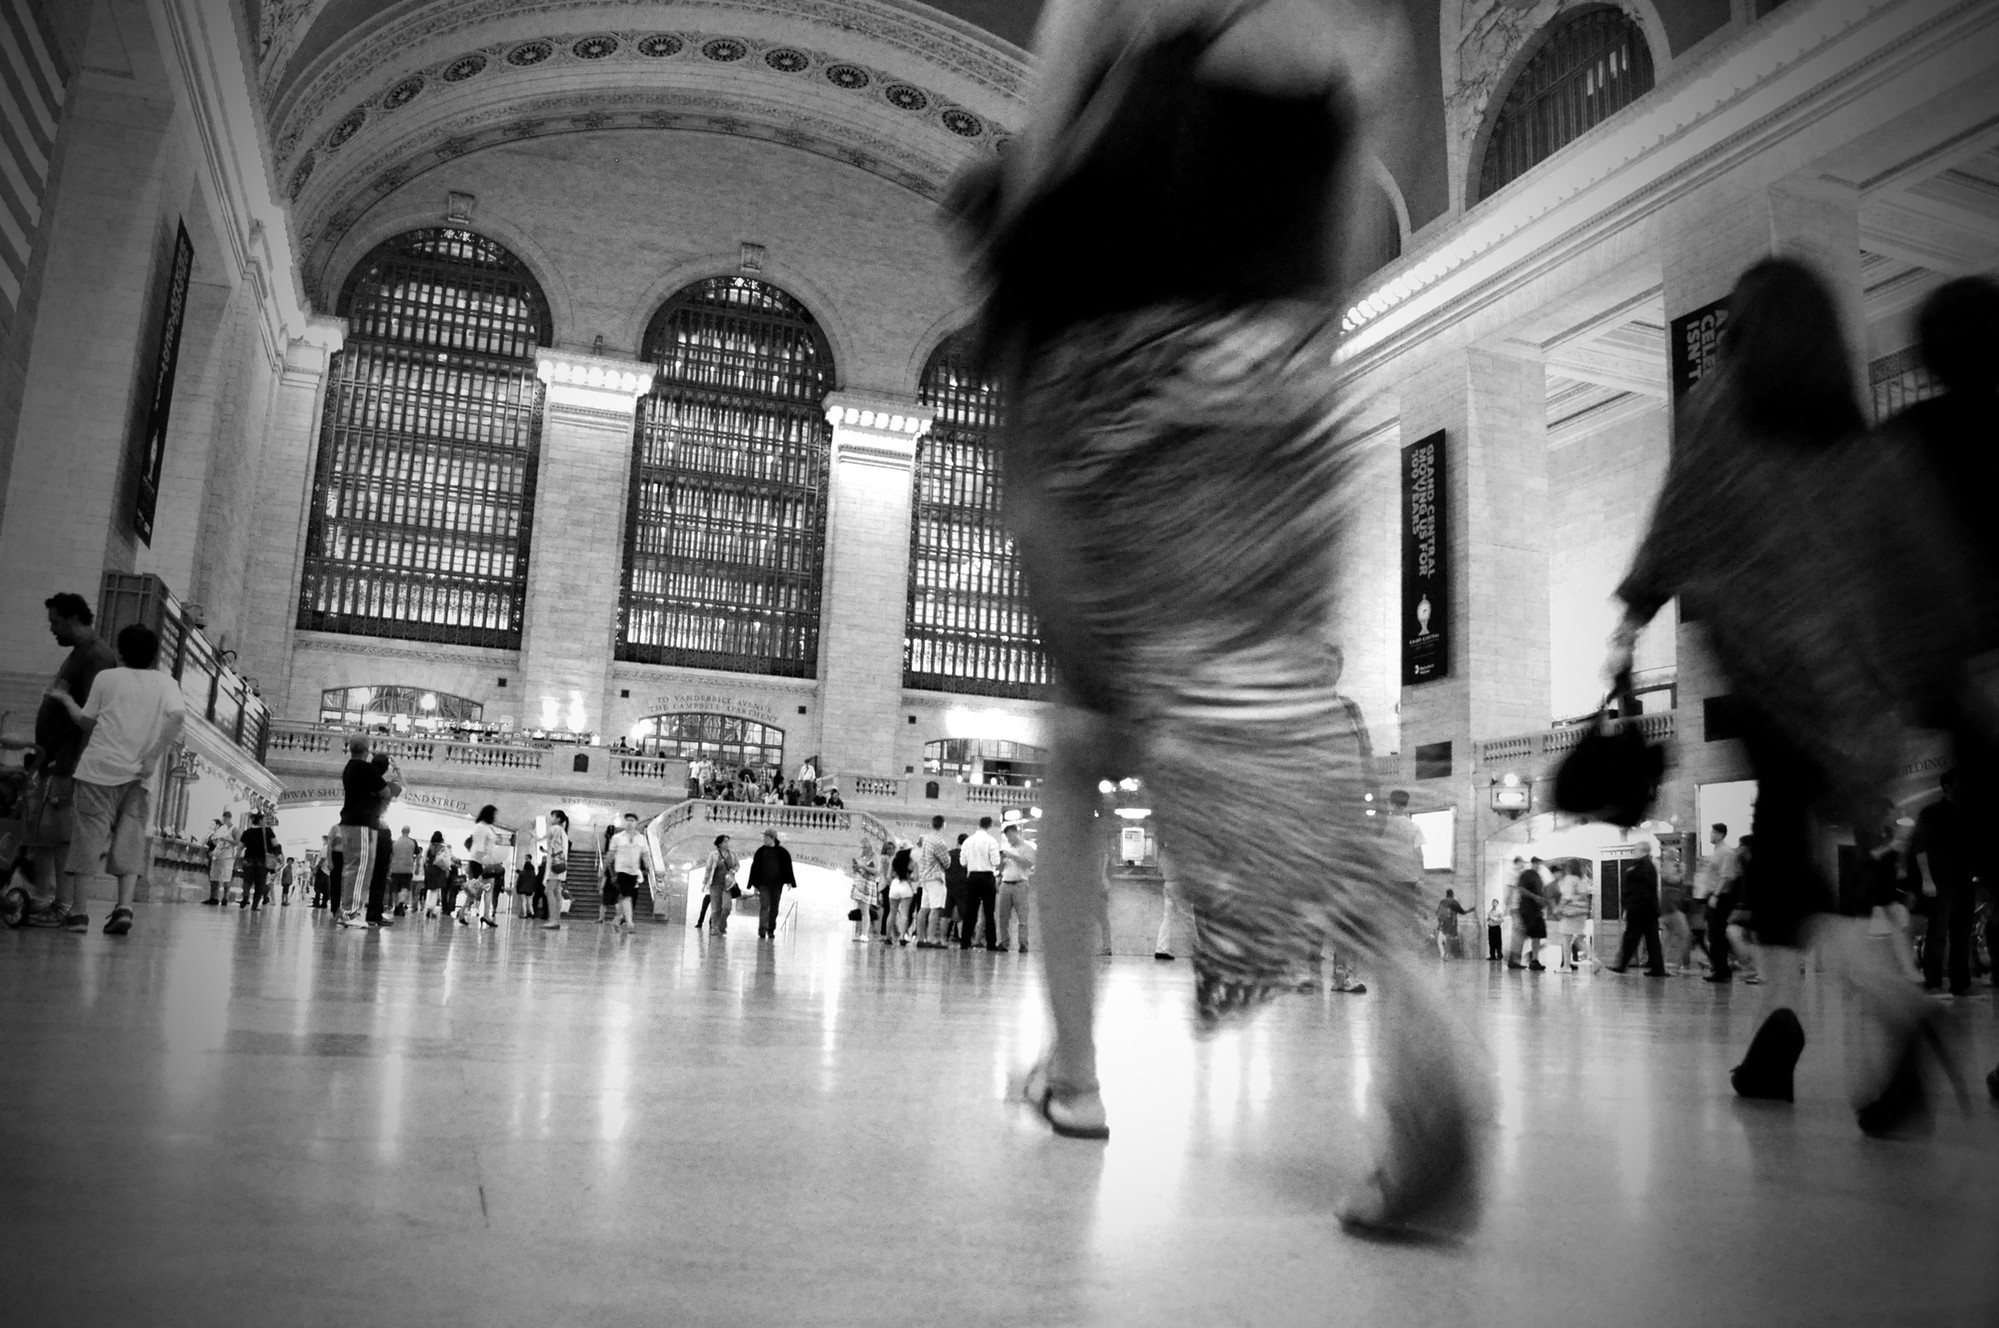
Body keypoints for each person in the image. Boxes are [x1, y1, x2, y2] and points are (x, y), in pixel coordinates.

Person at [957, 0, 1479, 1236]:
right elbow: (1342, 248)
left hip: (1108, 387)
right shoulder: (1363, 35)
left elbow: (1038, 174)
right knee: (1276, 735)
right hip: (1269, 388)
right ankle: (1422, 1026)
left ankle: (1074, 1072)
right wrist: (1288, 379)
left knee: (1080, 751)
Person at [1606, 257, 1950, 1131]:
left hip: (1763, 675)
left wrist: (1633, 610)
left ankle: (1899, 1009)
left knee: (1786, 883)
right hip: (1841, 685)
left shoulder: (1724, 404)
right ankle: (1775, 1041)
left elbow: (1682, 510)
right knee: (1783, 855)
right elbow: (1891, 555)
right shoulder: (1840, 424)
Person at [44, 623, 184, 935]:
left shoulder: (107, 678)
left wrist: (65, 699)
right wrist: (152, 756)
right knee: (130, 841)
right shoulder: (167, 683)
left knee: (86, 841)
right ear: (154, 653)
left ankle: (79, 913)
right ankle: (124, 907)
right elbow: (177, 717)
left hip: (97, 771)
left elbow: (87, 722)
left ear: (121, 650)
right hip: (138, 776)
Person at [21, 591, 119, 920]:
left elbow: (95, 715)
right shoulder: (81, 653)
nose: (52, 629)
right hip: (55, 760)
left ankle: (62, 905)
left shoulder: (96, 657)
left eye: (56, 622)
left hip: (70, 762)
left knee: (63, 836)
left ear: (74, 619)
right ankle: (45, 896)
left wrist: (78, 762)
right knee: (46, 833)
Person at [1912, 771, 1977, 997]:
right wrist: (1927, 879)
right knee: (1937, 933)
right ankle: (1934, 983)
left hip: (1965, 882)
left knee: (1962, 934)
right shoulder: (1930, 813)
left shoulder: (1969, 815)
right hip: (1940, 881)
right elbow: (1920, 846)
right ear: (1948, 786)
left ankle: (1961, 984)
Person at [334, 738, 391, 928]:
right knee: (362, 868)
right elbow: (385, 792)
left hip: (349, 822)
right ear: (367, 750)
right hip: (363, 824)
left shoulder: (349, 767)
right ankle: (351, 913)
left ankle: (346, 909)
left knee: (351, 867)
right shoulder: (366, 769)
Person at [1605, 843, 1667, 976]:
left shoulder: (1641, 867)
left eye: (1636, 849)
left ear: (1642, 851)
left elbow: (1637, 890)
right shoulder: (1648, 865)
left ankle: (1622, 965)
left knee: (1632, 937)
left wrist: (1630, 906)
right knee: (1651, 939)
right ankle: (1657, 968)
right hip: (1648, 909)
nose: (1634, 852)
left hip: (1640, 909)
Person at [1698, 824, 1742, 982]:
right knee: (1713, 934)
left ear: (1721, 834)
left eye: (1713, 832)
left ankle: (1722, 970)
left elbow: (1727, 876)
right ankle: (1719, 967)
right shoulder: (1718, 852)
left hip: (1721, 898)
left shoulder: (1726, 852)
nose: (1710, 835)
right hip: (1714, 895)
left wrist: (1716, 895)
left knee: (1717, 935)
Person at [605, 812, 653, 934]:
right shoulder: (617, 837)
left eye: (632, 820)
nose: (630, 822)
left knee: (625, 897)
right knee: (627, 896)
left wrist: (648, 866)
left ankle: (617, 919)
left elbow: (645, 854)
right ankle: (629, 923)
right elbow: (610, 854)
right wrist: (604, 868)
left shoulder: (641, 839)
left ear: (636, 823)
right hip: (621, 871)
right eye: (627, 820)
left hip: (634, 872)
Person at [958, 815, 1000, 951]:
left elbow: (962, 862)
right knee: (989, 912)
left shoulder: (968, 841)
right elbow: (996, 862)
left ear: (979, 824)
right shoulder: (991, 841)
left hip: (972, 878)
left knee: (970, 912)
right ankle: (991, 944)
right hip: (987, 877)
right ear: (990, 826)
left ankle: (964, 943)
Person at [997, 822, 1038, 953]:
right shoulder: (1005, 847)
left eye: (1011, 835)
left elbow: (1028, 864)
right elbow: (999, 868)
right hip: (1005, 883)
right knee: (1003, 916)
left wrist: (1012, 856)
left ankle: (1023, 944)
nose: (1009, 839)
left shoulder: (1028, 848)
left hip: (1020, 884)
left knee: (1022, 917)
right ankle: (1004, 942)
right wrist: (1001, 862)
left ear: (1016, 833)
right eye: (1007, 836)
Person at [748, 828, 794, 939]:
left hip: (777, 885)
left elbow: (787, 867)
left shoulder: (782, 852)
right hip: (763, 884)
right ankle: (762, 929)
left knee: (774, 907)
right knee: (764, 906)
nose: (764, 839)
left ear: (772, 838)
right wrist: (754, 884)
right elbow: (755, 868)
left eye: (766, 837)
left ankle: (771, 929)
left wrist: (789, 881)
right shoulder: (760, 852)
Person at [463, 804, 505, 928]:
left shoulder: (488, 827)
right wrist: (483, 864)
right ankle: (463, 911)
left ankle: (486, 915)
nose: (496, 817)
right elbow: (480, 847)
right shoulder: (481, 827)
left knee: (487, 889)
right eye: (494, 814)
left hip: (487, 861)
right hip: (480, 862)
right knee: (475, 890)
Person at [914, 815, 953, 947]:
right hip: (936, 877)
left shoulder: (924, 838)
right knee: (935, 909)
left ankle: (920, 938)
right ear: (943, 825)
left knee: (923, 908)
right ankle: (931, 938)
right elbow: (947, 863)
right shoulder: (939, 842)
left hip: (924, 877)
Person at [1508, 859, 1548, 971]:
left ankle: (1534, 960)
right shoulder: (1526, 874)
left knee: (1537, 935)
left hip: (1536, 911)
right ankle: (1514, 959)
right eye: (1537, 863)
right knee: (1521, 934)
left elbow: (1540, 891)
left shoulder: (1537, 876)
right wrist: (1536, 898)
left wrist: (1543, 900)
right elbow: (1521, 889)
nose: (1539, 866)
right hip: (1526, 910)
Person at [239, 811, 280, 910]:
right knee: (259, 884)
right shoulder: (268, 831)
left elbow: (240, 847)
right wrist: (278, 855)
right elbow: (275, 844)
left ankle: (245, 896)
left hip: (248, 860)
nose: (266, 821)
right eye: (265, 819)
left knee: (247, 881)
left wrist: (237, 858)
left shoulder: (247, 832)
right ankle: (254, 906)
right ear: (261, 820)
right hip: (261, 862)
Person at [1553, 866, 1589, 971]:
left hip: (1570, 914)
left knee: (1566, 939)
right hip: (1581, 914)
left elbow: (1567, 897)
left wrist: (1558, 908)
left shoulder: (1569, 879)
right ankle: (1595, 960)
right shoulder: (1582, 880)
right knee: (1577, 939)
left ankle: (1566, 966)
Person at [701, 834, 737, 935]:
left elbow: (737, 865)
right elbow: (708, 868)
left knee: (727, 907)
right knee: (716, 907)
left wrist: (734, 870)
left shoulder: (732, 854)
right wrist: (705, 882)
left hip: (727, 885)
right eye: (724, 842)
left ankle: (722, 924)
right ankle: (714, 927)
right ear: (719, 843)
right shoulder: (713, 854)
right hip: (715, 884)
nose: (727, 844)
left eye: (727, 841)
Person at [542, 810, 570, 930]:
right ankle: (556, 919)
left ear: (558, 819)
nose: (551, 819)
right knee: (557, 892)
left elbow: (541, 837)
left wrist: (533, 832)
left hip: (554, 866)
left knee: (549, 891)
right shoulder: (563, 832)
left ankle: (553, 920)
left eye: (553, 816)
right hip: (561, 864)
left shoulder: (555, 829)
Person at [204, 811, 238, 907]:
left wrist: (225, 839)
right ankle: (213, 897)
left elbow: (237, 842)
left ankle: (225, 898)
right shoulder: (221, 828)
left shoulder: (234, 829)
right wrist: (215, 842)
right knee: (214, 877)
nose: (224, 821)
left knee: (226, 878)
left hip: (227, 857)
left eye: (225, 819)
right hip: (217, 855)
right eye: (223, 819)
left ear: (229, 818)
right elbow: (216, 840)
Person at [387, 824, 419, 917]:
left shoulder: (395, 842)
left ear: (401, 831)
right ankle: (401, 903)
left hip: (395, 868)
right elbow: (418, 855)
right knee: (405, 887)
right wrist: (417, 867)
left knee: (395, 889)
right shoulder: (412, 842)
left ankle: (396, 906)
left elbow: (390, 855)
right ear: (409, 832)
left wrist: (390, 866)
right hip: (407, 869)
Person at [422, 830, 452, 917]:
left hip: (429, 869)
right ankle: (431, 909)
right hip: (439, 870)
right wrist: (447, 869)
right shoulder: (443, 848)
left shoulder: (429, 848)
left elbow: (424, 860)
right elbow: (448, 861)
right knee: (435, 890)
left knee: (430, 889)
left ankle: (428, 906)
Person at [1433, 888, 1467, 961]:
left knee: (1442, 941)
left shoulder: (1444, 903)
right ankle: (1445, 955)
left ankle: (1445, 955)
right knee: (1444, 941)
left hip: (1445, 926)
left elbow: (1438, 913)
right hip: (1447, 926)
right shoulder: (1453, 904)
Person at [1484, 897, 1504, 962]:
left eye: (1495, 902)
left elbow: (1502, 920)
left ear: (1497, 904)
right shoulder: (1490, 911)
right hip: (1491, 928)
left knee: (1498, 942)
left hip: (1496, 928)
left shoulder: (1499, 911)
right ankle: (1492, 955)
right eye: (1492, 902)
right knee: (1491, 942)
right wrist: (1488, 919)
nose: (1493, 904)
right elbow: (1488, 918)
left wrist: (1494, 919)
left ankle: (1499, 955)